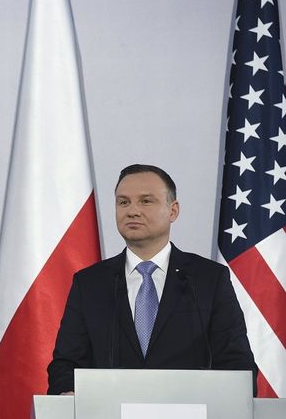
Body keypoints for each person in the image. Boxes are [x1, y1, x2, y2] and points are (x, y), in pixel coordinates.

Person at [47, 164, 257, 395]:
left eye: (146, 201)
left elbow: (237, 364)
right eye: (123, 202)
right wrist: (67, 393)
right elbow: (66, 364)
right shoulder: (90, 284)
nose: (132, 211)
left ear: (173, 211)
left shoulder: (208, 279)